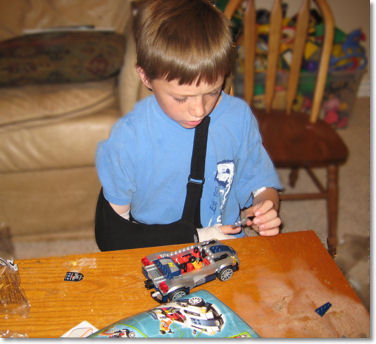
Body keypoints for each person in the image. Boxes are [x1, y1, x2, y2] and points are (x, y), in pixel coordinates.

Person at [95, 0, 282, 251]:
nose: (199, 110)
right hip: (156, 253)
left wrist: (264, 208)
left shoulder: (238, 117)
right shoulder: (129, 140)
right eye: (181, 98)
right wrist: (201, 235)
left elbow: (261, 186)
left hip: (225, 250)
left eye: (213, 91)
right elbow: (114, 236)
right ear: (145, 77)